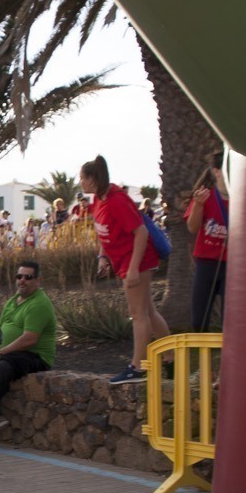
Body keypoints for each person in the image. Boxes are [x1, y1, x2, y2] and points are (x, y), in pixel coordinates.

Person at [83, 155, 170, 384]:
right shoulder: (99, 199)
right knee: (148, 311)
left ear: (92, 180)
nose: (80, 182)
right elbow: (105, 229)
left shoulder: (117, 200)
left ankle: (138, 367)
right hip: (124, 260)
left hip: (137, 261)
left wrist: (133, 269)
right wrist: (103, 256)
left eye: (82, 178)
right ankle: (170, 358)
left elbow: (141, 232)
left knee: (138, 314)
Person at [0, 259, 56, 433]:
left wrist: (0, 353)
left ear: (38, 280)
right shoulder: (13, 300)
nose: (22, 280)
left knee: (3, 367)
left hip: (35, 355)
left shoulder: (39, 303)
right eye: (19, 276)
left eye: (28, 277)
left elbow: (29, 339)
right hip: (11, 352)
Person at [184, 167, 230, 332]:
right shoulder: (205, 196)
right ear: (216, 172)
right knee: (199, 321)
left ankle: (228, 348)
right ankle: (202, 347)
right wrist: (198, 205)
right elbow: (192, 227)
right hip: (206, 263)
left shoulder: (241, 197)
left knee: (229, 320)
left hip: (231, 266)